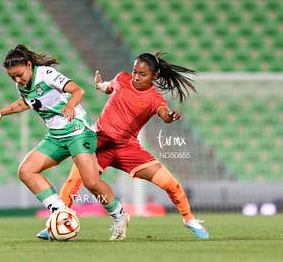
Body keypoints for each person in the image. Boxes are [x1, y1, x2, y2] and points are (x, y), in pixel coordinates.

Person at [57, 52, 209, 239]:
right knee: (74, 181)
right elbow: (108, 87)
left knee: (170, 183)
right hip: (98, 142)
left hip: (127, 148)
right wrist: (99, 85)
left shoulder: (155, 98)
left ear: (155, 76)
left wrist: (170, 116)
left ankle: (189, 219)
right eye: (135, 71)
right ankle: (57, 223)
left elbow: (164, 114)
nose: (136, 77)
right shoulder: (122, 78)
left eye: (142, 74)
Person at [0, 44, 129, 240]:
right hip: (56, 136)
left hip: (78, 130)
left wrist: (70, 105)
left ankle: (120, 217)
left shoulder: (45, 73)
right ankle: (62, 214)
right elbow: (26, 102)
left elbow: (77, 90)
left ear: (29, 64)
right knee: (26, 171)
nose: (18, 79)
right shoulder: (21, 85)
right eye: (13, 77)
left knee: (92, 182)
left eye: (19, 74)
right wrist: (0, 113)